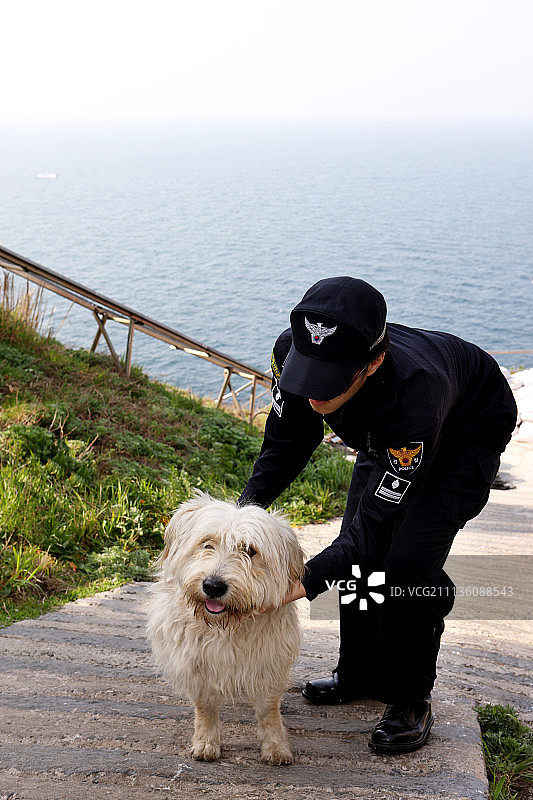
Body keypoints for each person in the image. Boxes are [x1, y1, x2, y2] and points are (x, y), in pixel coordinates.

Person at [238, 276, 517, 753]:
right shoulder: (290, 351)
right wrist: (236, 523)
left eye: (328, 384)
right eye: (308, 376)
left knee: (406, 563)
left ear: (373, 361)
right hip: (382, 434)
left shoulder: (415, 392)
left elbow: (373, 530)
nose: (314, 397)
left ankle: (411, 699)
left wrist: (301, 583)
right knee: (358, 566)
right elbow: (285, 444)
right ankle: (357, 673)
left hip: (461, 436)